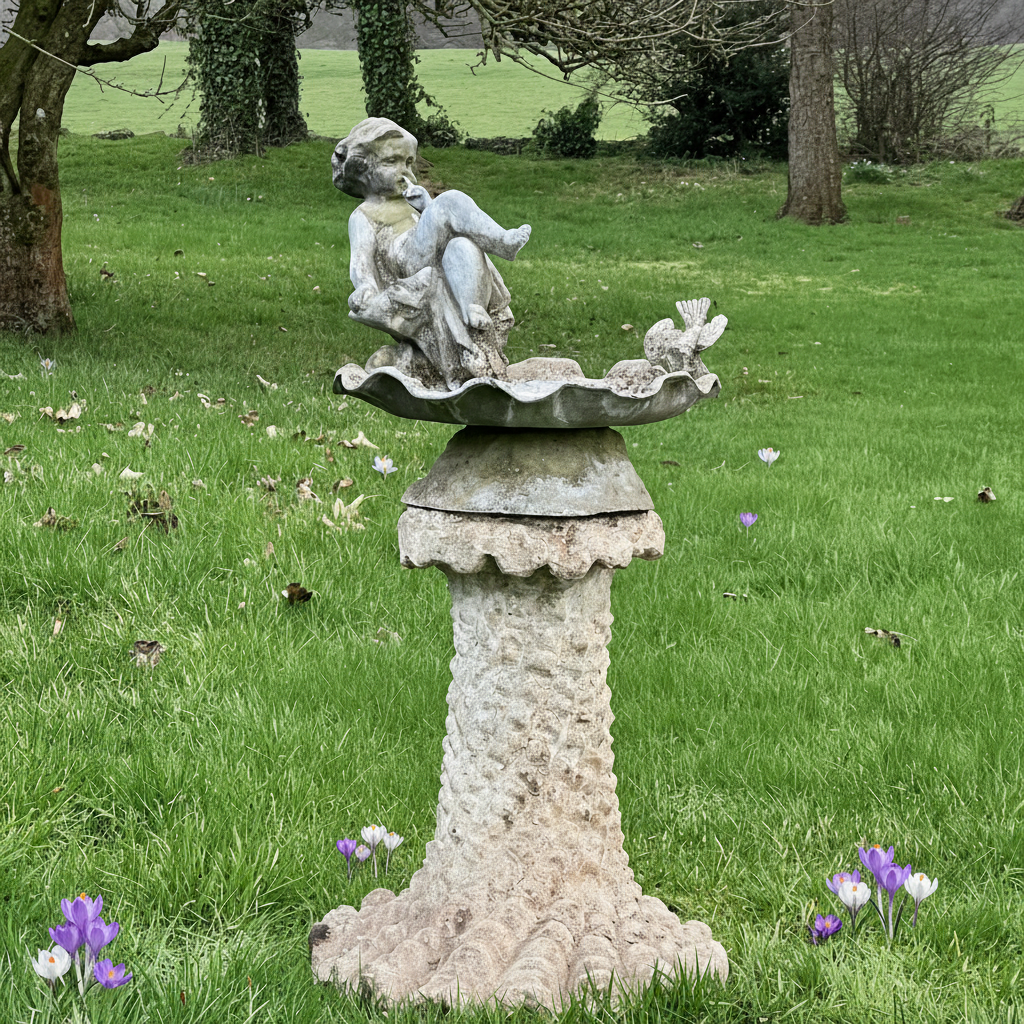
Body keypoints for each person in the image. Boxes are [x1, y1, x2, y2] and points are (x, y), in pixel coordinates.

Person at [332, 118, 531, 387]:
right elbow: (361, 260)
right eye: (392, 162)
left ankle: (471, 307)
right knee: (449, 200)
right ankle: (503, 242)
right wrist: (366, 287)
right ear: (362, 169)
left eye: (408, 162)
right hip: (405, 260)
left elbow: (435, 230)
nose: (404, 171)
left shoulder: (410, 202)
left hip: (423, 250)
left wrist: (426, 206)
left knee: (462, 246)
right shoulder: (364, 215)